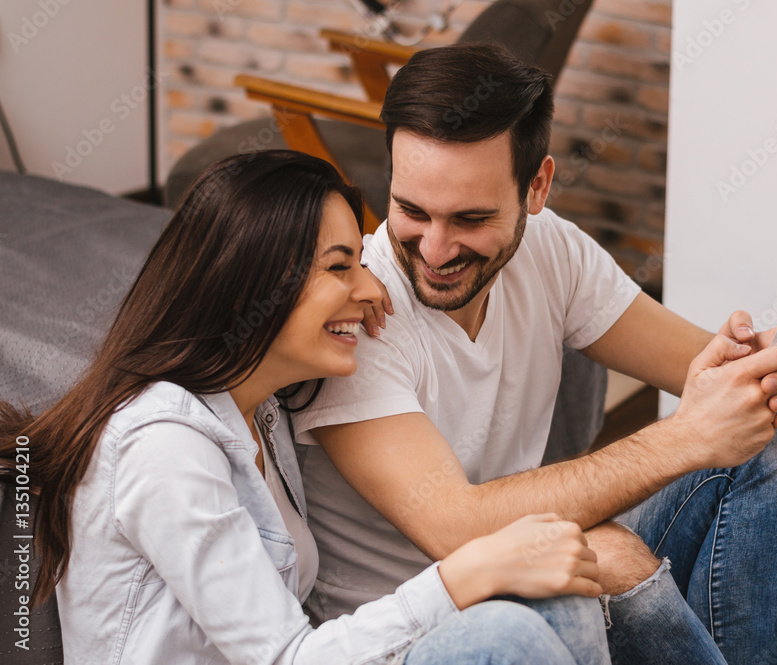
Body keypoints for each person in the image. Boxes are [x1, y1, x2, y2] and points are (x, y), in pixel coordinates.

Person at [291, 43, 777, 665]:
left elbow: (709, 369)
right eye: (412, 210)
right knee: (612, 559)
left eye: (470, 218)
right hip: (423, 632)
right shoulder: (357, 315)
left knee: (776, 442)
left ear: (536, 186)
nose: (434, 249)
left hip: (519, 568)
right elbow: (455, 528)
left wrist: (753, 372)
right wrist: (689, 436)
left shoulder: (551, 252)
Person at [0, 151, 612, 664]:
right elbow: (286, 658)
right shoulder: (164, 446)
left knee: (558, 597)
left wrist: (338, 302)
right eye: (342, 267)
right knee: (505, 632)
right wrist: (462, 577)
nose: (373, 290)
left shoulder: (262, 410)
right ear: (254, 283)